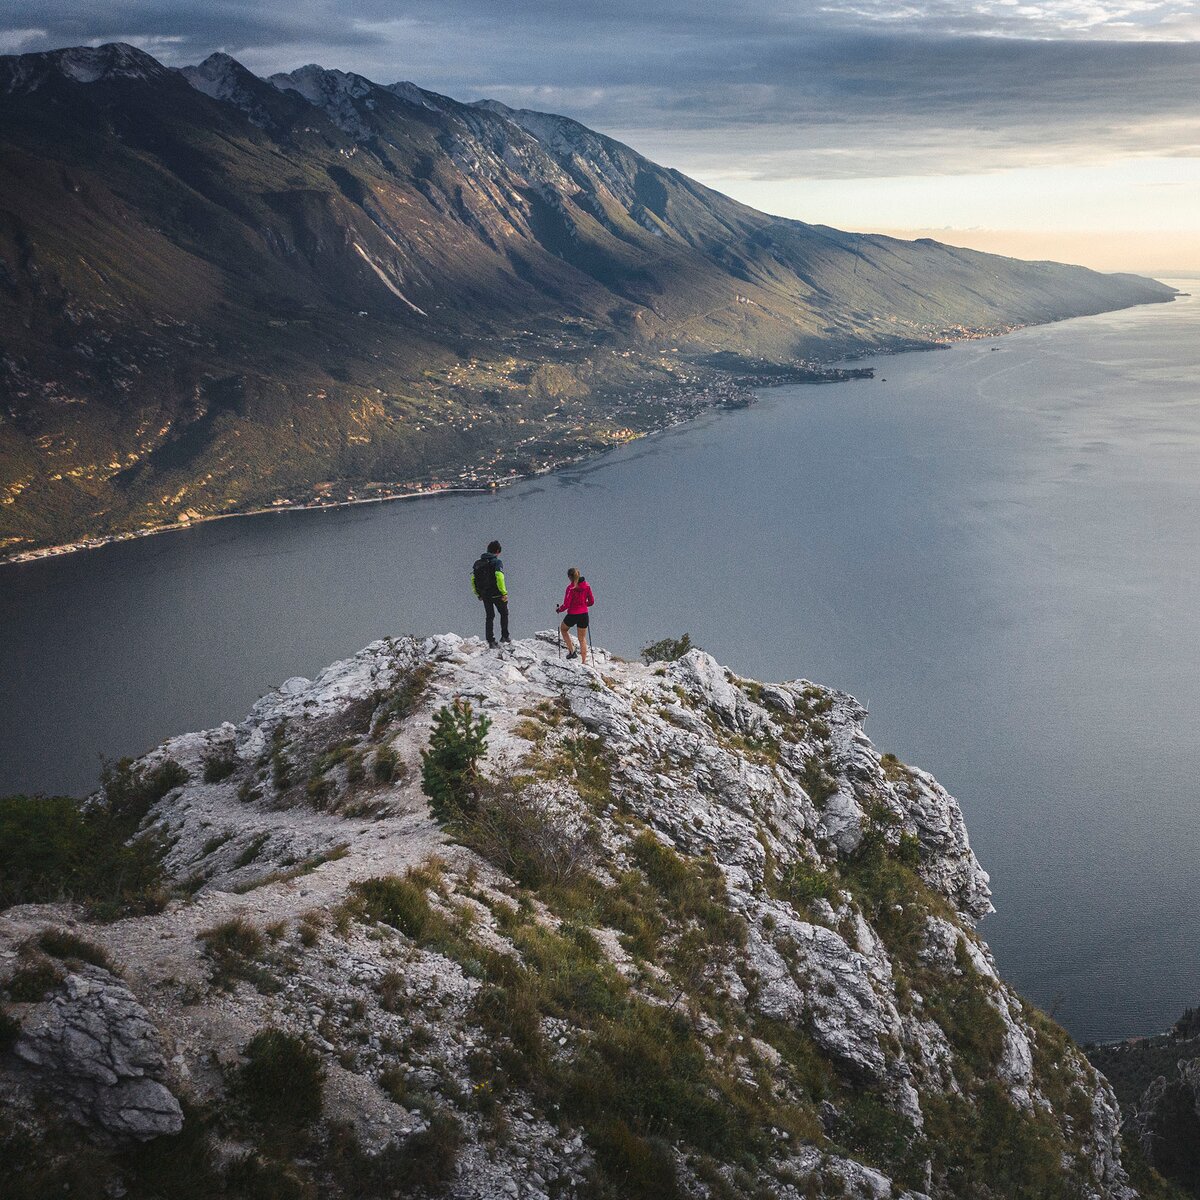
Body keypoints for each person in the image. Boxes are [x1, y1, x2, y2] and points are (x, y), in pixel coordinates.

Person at [472, 540, 510, 647]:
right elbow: (499, 577)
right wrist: (504, 592)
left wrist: (478, 593)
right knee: (504, 613)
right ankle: (505, 636)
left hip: (485, 594)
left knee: (489, 616)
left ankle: (490, 640)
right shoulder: (497, 562)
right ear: (497, 551)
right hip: (497, 593)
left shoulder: (478, 563)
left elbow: (473, 579)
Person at [557, 567, 595, 663]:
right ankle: (583, 662)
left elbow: (567, 604)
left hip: (573, 614)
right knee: (582, 638)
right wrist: (583, 604)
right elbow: (592, 601)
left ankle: (572, 651)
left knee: (563, 629)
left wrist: (559, 610)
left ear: (570, 577)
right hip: (584, 614)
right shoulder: (587, 586)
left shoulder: (570, 588)